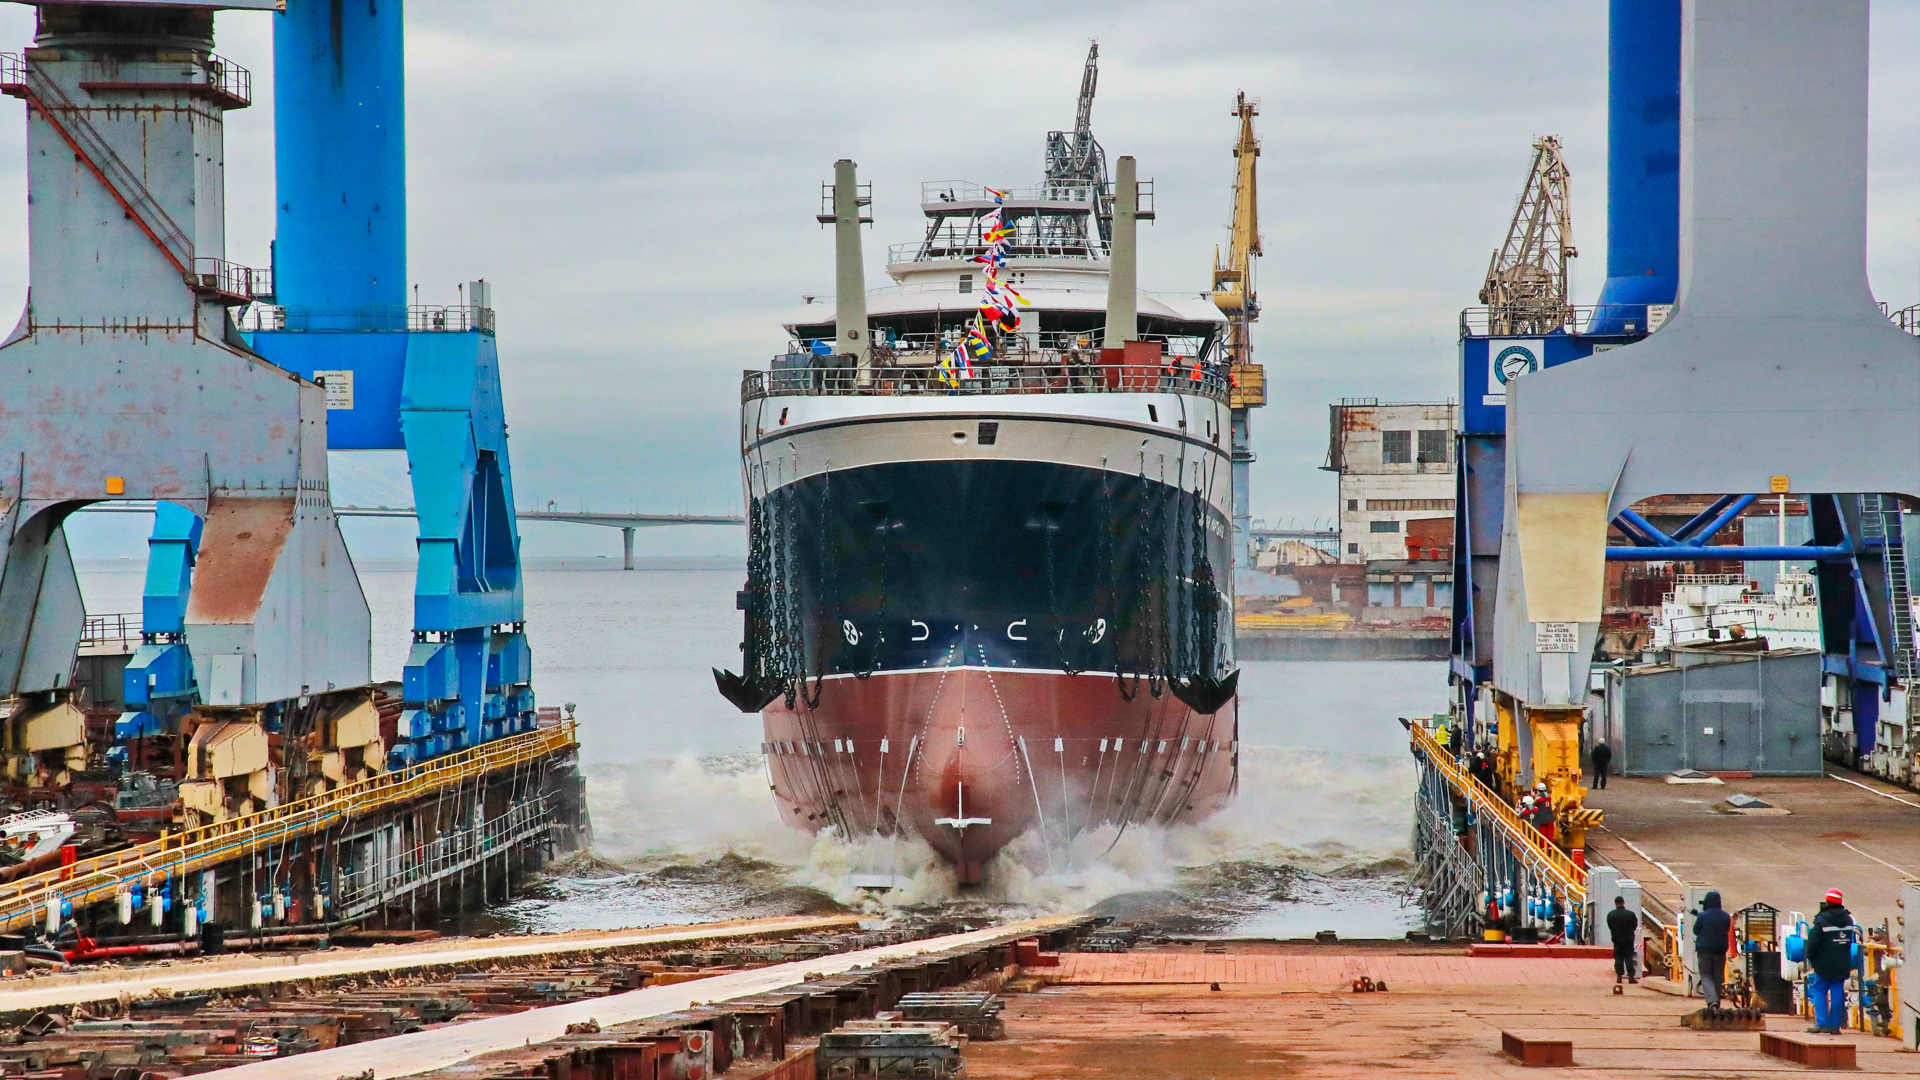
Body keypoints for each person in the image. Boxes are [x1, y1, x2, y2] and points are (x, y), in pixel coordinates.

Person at [1805, 888, 1856, 1034]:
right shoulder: (1848, 920)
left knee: (1819, 990)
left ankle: (1822, 1023)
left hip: (1824, 964)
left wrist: (1812, 959)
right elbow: (1848, 942)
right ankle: (1835, 1026)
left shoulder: (1821, 920)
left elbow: (1813, 943)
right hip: (1842, 963)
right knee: (1837, 991)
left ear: (1827, 901)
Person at [1692, 891, 1731, 1009]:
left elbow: (1695, 930)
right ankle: (1717, 1001)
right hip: (1720, 950)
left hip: (1705, 951)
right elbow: (1727, 928)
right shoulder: (1725, 916)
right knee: (1718, 976)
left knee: (1706, 975)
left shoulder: (1702, 916)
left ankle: (1712, 1001)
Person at [1607, 895, 1639, 984]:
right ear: (1623, 903)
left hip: (1617, 939)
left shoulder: (1611, 914)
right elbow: (1634, 925)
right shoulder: (1630, 914)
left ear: (1615, 904)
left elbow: (1610, 926)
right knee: (1629, 957)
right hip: (1628, 939)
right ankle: (1631, 977)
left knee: (1618, 957)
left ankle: (1619, 976)